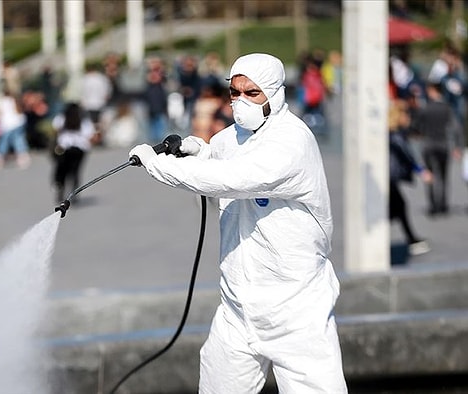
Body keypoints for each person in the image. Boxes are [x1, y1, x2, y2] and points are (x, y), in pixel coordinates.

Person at [128, 53, 347, 393]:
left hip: (295, 310)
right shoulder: (229, 138)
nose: (240, 101)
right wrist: (198, 151)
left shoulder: (292, 142)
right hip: (237, 308)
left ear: (275, 93)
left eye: (252, 93)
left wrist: (159, 166)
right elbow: (219, 167)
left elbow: (235, 178)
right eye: (235, 92)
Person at [411, 83, 464, 216]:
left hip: (428, 145)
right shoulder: (447, 108)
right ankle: (443, 204)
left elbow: (416, 127)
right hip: (443, 145)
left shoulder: (425, 108)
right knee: (443, 176)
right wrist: (457, 146)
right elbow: (456, 128)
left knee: (430, 175)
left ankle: (433, 205)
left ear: (432, 91)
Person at [389, 100, 432, 254]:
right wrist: (421, 170)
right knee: (398, 207)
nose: (408, 118)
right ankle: (411, 240)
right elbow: (407, 155)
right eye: (406, 115)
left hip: (390, 179)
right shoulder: (395, 136)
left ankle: (411, 239)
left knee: (398, 208)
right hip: (390, 179)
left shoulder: (394, 133)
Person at [51, 102, 96, 203]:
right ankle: (74, 194)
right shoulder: (84, 121)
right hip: (80, 149)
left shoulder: (62, 118)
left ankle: (60, 190)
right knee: (75, 171)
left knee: (62, 170)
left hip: (64, 148)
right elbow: (91, 136)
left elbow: (55, 130)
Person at [0, 89, 30, 169]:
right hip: (18, 122)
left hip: (8, 124)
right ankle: (22, 156)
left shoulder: (3, 101)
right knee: (18, 139)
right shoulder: (15, 100)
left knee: (4, 141)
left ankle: (0, 157)